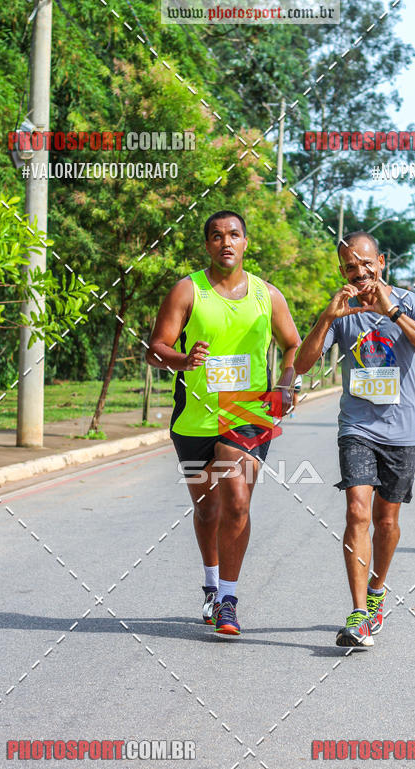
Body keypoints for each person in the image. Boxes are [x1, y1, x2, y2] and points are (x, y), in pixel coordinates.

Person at [147, 210, 300, 638]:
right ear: (207, 245)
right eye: (216, 236)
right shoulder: (187, 290)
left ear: (246, 242)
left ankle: (229, 602)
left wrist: (287, 383)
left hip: (249, 412)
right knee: (207, 508)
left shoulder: (268, 295)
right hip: (195, 414)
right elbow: (154, 349)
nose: (225, 242)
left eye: (233, 234)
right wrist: (182, 359)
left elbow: (293, 345)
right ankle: (211, 585)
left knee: (236, 499)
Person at [294, 231, 415, 648]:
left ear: (381, 261)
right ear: (342, 270)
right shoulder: (341, 310)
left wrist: (393, 312)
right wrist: (328, 317)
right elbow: (303, 364)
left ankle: (378, 592)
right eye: (349, 266)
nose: (359, 272)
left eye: (366, 263)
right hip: (357, 428)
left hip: (403, 431)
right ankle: (359, 613)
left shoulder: (412, 303)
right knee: (357, 512)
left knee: (386, 521)